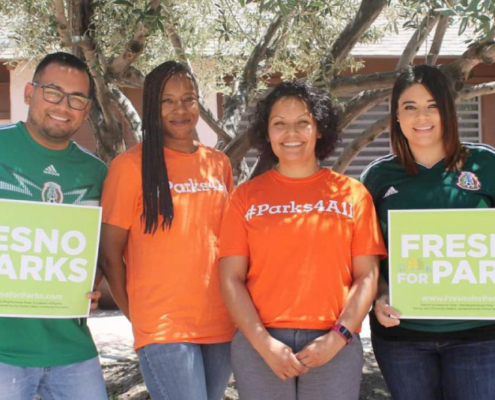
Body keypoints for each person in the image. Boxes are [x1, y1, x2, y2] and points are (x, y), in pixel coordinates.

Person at [219, 81, 386, 400]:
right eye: (279, 124)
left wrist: (338, 337)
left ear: (319, 129)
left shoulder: (353, 194)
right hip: (261, 344)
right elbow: (230, 278)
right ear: (266, 133)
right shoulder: (245, 197)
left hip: (334, 341)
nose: (291, 133)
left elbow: (367, 276)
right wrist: (264, 344)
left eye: (302, 123)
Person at [100, 61, 234, 400]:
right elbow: (109, 254)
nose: (180, 109)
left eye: (188, 99)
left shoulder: (219, 163)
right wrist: (137, 316)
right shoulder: (130, 167)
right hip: (162, 325)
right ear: (152, 108)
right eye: (167, 100)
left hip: (220, 320)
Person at [361, 64, 495, 400]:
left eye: (433, 105)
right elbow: (366, 258)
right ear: (396, 115)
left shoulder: (485, 164)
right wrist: (379, 296)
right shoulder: (377, 178)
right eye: (410, 107)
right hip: (402, 339)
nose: (422, 116)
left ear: (448, 111)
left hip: (479, 336)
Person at [0, 52, 108, 399]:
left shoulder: (96, 174)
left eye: (77, 98)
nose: (64, 105)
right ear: (29, 92)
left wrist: (93, 285)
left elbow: (100, 248)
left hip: (72, 350)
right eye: (53, 92)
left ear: (87, 110)